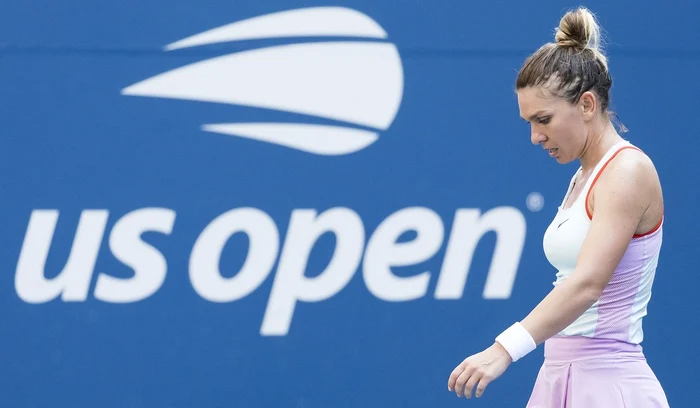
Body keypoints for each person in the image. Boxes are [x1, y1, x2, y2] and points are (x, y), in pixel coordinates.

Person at [447, 6, 670, 407]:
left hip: (609, 384)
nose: (535, 136)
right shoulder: (583, 176)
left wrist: (503, 349)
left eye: (544, 119)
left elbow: (587, 284)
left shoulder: (627, 170)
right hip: (559, 376)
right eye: (529, 122)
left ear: (587, 105)